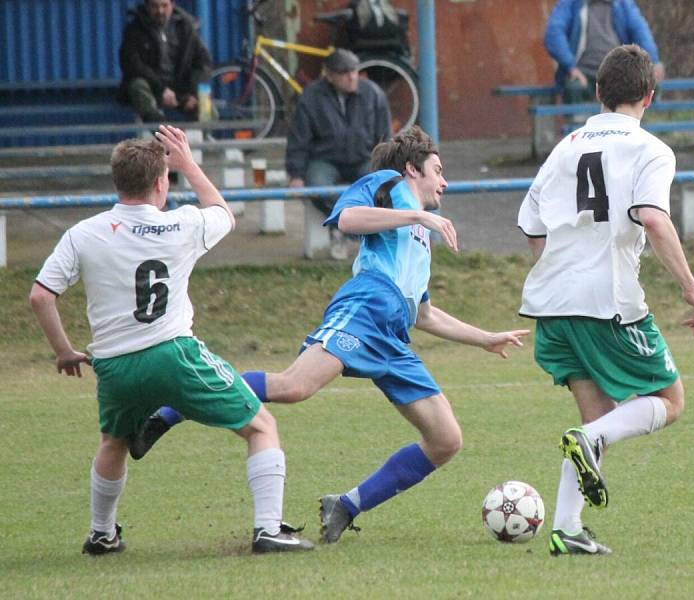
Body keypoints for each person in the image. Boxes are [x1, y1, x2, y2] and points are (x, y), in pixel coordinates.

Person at [132, 126, 530, 544]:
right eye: (438, 170)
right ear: (413, 169)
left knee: (446, 440)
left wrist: (485, 338)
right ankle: (170, 409)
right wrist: (417, 214)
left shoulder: (420, 237)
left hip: (393, 333)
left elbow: (425, 314)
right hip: (366, 306)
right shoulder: (389, 184)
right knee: (293, 387)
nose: (444, 182)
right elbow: (346, 219)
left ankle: (346, 504)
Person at [29, 125, 313, 555]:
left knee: (114, 442)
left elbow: (40, 296)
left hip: (115, 366)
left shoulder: (84, 233)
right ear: (162, 182)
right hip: (173, 353)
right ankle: (268, 529)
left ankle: (101, 534)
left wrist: (64, 351)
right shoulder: (182, 224)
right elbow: (223, 211)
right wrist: (190, 166)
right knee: (261, 426)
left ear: (117, 181)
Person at [517, 45, 694, 556]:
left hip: (551, 305)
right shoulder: (650, 149)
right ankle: (586, 458)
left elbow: (532, 226)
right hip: (607, 301)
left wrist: (560, 266)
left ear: (598, 91)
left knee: (597, 417)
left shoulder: (564, 147)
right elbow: (652, 216)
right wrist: (692, 290)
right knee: (670, 400)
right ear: (650, 96)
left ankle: (567, 528)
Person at [286, 48, 392, 260]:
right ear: (330, 75)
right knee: (316, 187)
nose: (352, 76)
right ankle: (356, 230)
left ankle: (343, 229)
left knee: (382, 189)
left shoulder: (373, 94)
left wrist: (388, 168)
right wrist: (296, 174)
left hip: (363, 158)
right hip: (325, 159)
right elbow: (299, 138)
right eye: (344, 72)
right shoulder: (311, 97)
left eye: (354, 70)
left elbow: (385, 136)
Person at [544, 0, 665, 105]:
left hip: (619, 71)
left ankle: (640, 128)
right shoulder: (571, 3)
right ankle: (577, 127)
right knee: (574, 88)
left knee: (649, 85)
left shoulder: (623, 4)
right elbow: (554, 34)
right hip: (582, 72)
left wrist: (652, 61)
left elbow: (641, 32)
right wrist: (571, 67)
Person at [119, 0, 212, 122]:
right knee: (137, 86)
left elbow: (203, 62)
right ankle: (162, 134)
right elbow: (132, 65)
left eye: (164, 5)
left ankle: (205, 138)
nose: (160, 11)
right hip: (152, 88)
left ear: (172, 5)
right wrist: (161, 89)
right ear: (147, 6)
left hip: (181, 88)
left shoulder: (185, 26)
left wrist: (195, 92)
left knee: (205, 97)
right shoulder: (135, 28)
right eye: (155, 6)